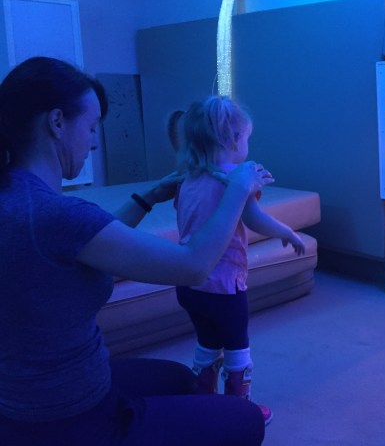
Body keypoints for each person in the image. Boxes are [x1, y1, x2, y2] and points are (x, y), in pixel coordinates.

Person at [0, 56, 272, 446]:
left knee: (183, 381)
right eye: (91, 127)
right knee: (247, 421)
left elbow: (88, 240)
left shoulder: (17, 198)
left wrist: (148, 197)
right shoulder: (54, 214)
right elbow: (193, 266)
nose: (94, 142)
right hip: (68, 417)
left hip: (27, 400)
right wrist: (239, 188)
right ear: (57, 122)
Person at [172, 96, 305, 425]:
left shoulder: (189, 179)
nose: (247, 144)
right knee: (237, 348)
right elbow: (255, 219)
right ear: (232, 140)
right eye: (246, 137)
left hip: (188, 284)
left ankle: (203, 395)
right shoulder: (235, 179)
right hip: (225, 287)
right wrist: (287, 231)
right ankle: (238, 411)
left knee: (207, 340)